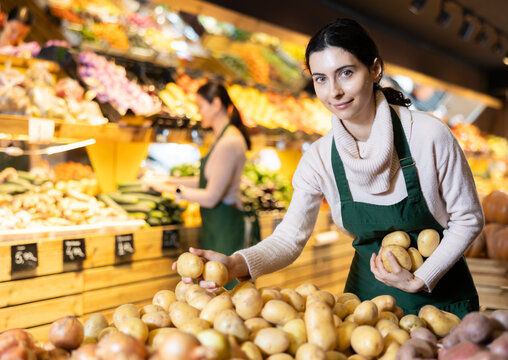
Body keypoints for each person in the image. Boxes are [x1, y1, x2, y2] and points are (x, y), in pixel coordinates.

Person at [177, 19, 484, 318]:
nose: (334, 91)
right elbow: (289, 238)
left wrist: (422, 277)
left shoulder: (427, 135)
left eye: (346, 73)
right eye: (321, 78)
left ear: (375, 69)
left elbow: (468, 218)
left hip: (443, 304)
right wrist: (235, 264)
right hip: (368, 309)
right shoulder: (320, 157)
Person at [153, 81, 258, 264]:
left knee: (227, 286)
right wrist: (167, 179)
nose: (199, 112)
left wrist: (171, 189)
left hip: (226, 226)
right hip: (216, 225)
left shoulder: (229, 142)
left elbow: (211, 196)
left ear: (217, 104)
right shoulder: (221, 137)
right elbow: (206, 180)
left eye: (201, 106)